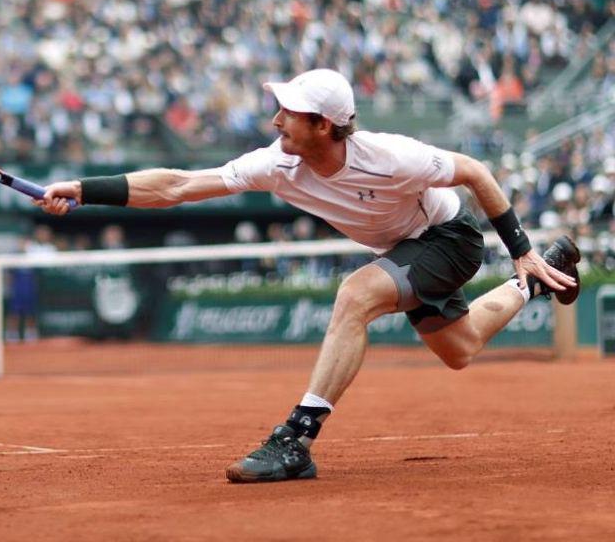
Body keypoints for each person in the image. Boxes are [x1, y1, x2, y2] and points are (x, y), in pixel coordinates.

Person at [36, 68, 580, 483]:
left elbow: (477, 172)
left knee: (356, 293)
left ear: (323, 125)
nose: (276, 121)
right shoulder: (277, 163)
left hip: (448, 239)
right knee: (459, 349)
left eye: (288, 113)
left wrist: (520, 248)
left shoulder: (393, 157)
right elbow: (178, 185)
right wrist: (84, 190)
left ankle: (296, 439)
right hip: (402, 248)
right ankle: (539, 281)